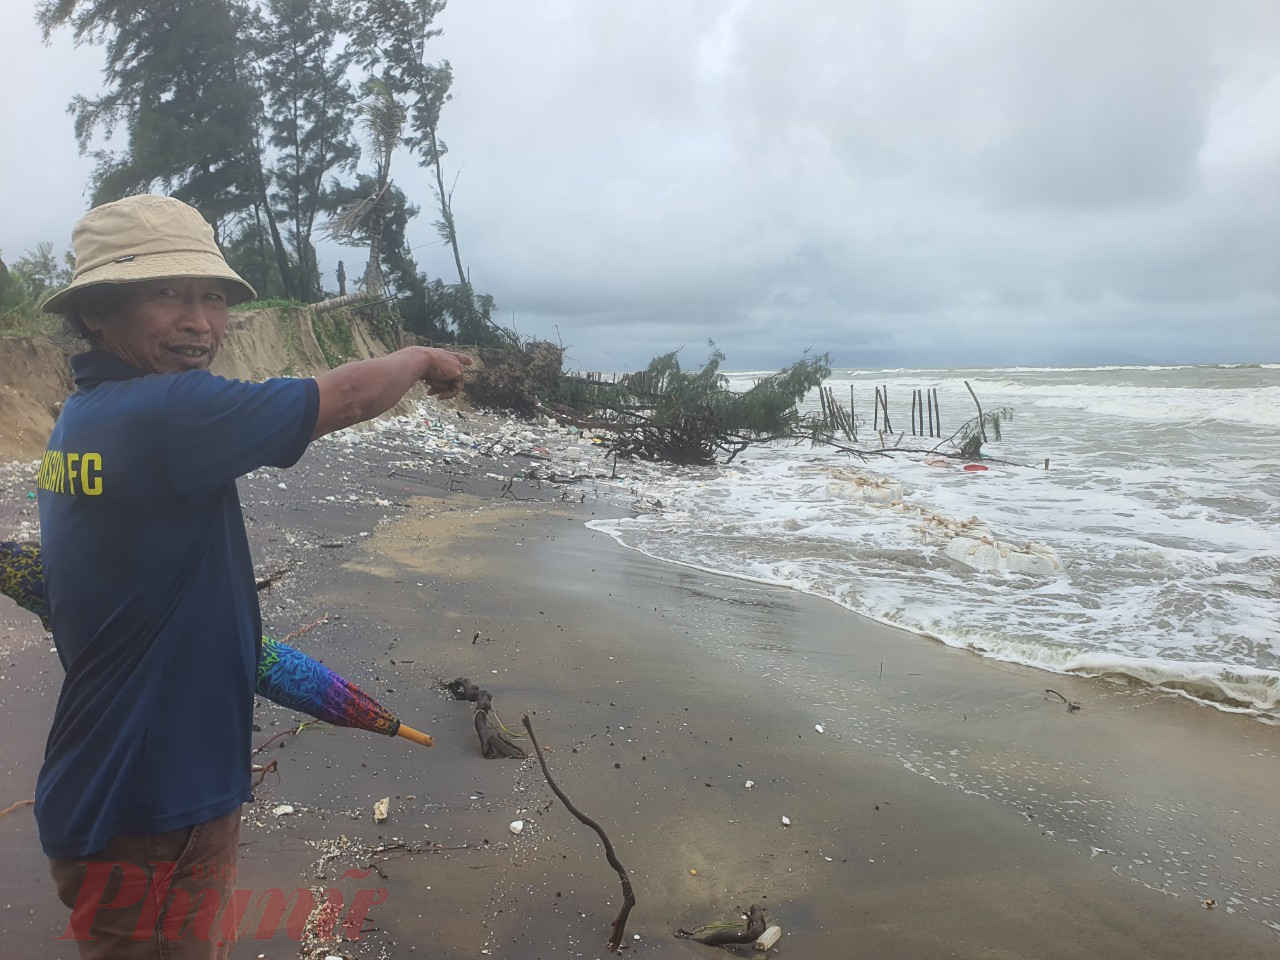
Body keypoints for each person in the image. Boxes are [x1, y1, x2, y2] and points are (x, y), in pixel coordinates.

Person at [35, 194, 471, 959]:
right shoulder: (168, 411)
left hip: (111, 783)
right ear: (97, 312)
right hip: (155, 806)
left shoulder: (86, 417)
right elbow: (345, 395)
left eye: (212, 296)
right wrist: (424, 359)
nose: (200, 320)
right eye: (168, 293)